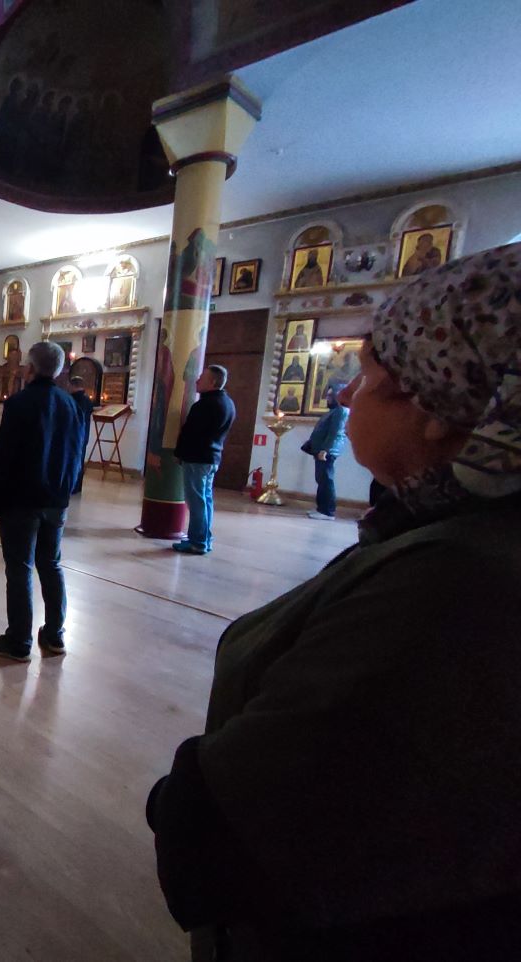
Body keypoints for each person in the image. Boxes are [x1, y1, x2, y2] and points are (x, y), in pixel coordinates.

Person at [146, 241, 521, 962]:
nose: (346, 396)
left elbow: (238, 830)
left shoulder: (449, 586)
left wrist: (175, 804)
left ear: (437, 408)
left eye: (371, 375)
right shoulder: (445, 538)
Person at [0, 341, 84, 661]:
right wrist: (64, 493)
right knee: (51, 564)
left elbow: (3, 458)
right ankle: (54, 634)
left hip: (21, 502)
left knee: (20, 567)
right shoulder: (70, 404)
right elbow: (76, 455)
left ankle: (19, 640)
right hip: (56, 501)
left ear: (31, 369)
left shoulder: (19, 403)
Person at [172, 364, 237, 554]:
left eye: (202, 378)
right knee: (205, 499)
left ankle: (197, 542)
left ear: (213, 382)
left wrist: (179, 453)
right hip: (211, 458)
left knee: (196, 501)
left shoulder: (204, 405)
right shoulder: (228, 403)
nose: (197, 380)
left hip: (197, 458)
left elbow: (191, 434)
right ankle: (204, 538)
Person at [304, 384, 349, 520]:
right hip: (322, 449)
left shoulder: (341, 411)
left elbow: (334, 432)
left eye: (330, 395)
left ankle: (327, 511)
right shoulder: (334, 410)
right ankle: (321, 509)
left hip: (328, 451)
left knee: (326, 480)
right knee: (321, 479)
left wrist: (325, 449)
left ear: (337, 396)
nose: (327, 398)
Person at [68, 375, 95, 493]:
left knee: (70, 461)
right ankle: (77, 486)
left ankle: (70, 486)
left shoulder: (71, 399)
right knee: (80, 460)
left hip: (71, 434)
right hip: (84, 435)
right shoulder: (87, 400)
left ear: (72, 385)